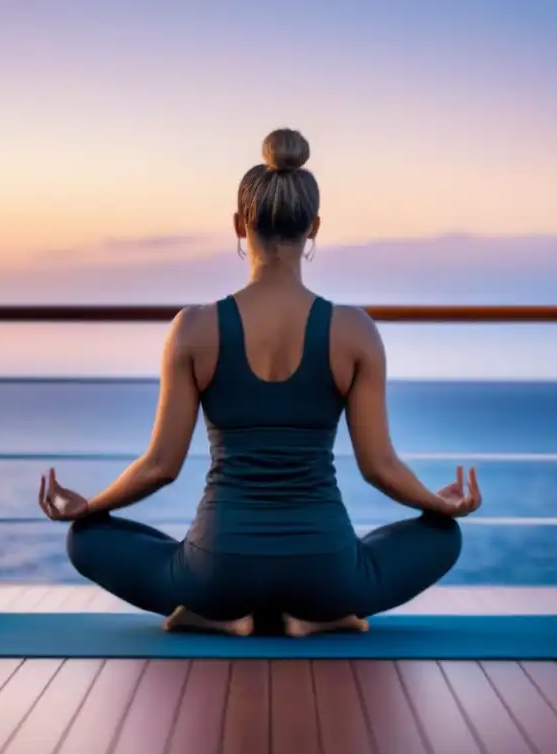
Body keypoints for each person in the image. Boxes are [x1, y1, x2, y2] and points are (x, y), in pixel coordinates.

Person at [38, 128, 482, 637]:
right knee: (443, 536)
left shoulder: (195, 328)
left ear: (237, 225)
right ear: (314, 228)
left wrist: (89, 507)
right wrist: (437, 502)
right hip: (328, 573)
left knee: (86, 538)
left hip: (216, 573)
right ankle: (316, 617)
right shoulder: (355, 330)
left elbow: (160, 467)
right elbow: (379, 467)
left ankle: (218, 614)